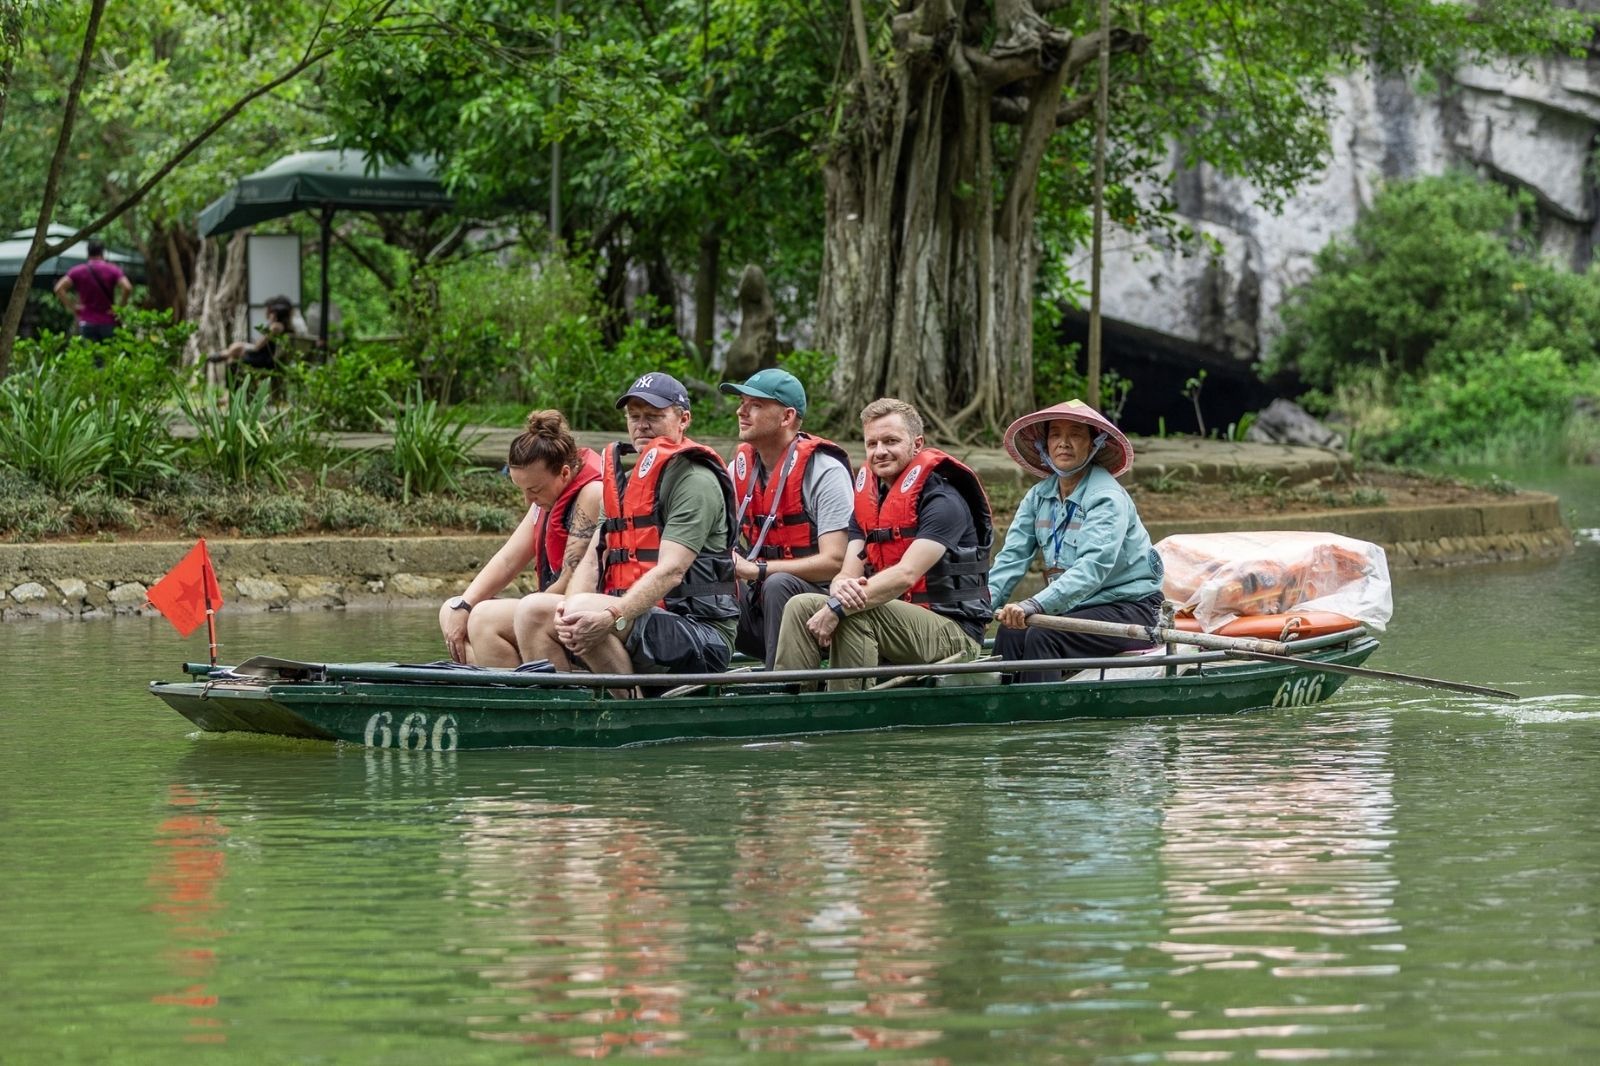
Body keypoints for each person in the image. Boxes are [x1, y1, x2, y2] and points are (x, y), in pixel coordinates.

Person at [513, 371, 738, 692]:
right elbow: (593, 560)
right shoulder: (629, 484)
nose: (641, 425)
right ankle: (561, 714)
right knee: (535, 611)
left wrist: (610, 614)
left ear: (683, 419)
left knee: (576, 612)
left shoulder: (695, 480)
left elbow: (672, 570)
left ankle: (623, 709)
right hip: (639, 617)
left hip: (701, 634)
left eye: (653, 416)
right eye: (634, 416)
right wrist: (566, 610)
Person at [773, 397, 994, 689]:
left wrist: (838, 607)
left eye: (890, 441)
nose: (880, 451)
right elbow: (847, 572)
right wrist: (840, 587)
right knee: (800, 605)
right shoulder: (869, 502)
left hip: (953, 634)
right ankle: (791, 700)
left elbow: (906, 574)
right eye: (872, 443)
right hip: (895, 619)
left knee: (855, 613)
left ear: (917, 444)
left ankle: (846, 709)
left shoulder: (943, 501)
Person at [987, 399, 1166, 683]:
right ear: (1044, 446)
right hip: (1079, 606)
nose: (1063, 443)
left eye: (1076, 434)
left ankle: (1041, 717)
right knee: (1010, 630)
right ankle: (999, 711)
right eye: (1055, 434)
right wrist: (982, 607)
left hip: (1132, 607)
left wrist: (1033, 604)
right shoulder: (1037, 496)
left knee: (1043, 634)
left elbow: (1092, 568)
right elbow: (1011, 558)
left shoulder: (1106, 497)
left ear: (1093, 445)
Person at [438, 410, 602, 668]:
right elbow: (507, 560)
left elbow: (571, 582)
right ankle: (511, 682)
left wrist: (530, 610)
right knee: (451, 611)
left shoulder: (592, 494)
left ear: (565, 473)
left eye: (534, 490)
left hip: (581, 608)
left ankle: (529, 694)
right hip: (547, 605)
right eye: (522, 490)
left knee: (483, 619)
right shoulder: (545, 498)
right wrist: (464, 604)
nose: (527, 500)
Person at [718, 368, 854, 668]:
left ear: (787, 417)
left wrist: (758, 570)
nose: (741, 411)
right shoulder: (738, 469)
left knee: (778, 583)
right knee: (707, 577)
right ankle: (692, 676)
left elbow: (836, 561)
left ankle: (784, 685)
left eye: (755, 405)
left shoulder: (825, 471)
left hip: (820, 611)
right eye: (742, 402)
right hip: (761, 607)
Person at [53, 238, 132, 342]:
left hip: (87, 321)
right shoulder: (113, 269)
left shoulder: (78, 271)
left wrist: (73, 307)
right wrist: (119, 309)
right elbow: (127, 287)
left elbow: (58, 288)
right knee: (108, 356)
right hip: (108, 321)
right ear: (103, 252)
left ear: (88, 253)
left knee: (90, 356)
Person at [209, 295, 295, 377]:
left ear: (276, 313)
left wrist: (244, 348)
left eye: (272, 311)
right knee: (234, 352)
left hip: (265, 361)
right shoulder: (284, 327)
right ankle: (220, 356)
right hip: (267, 358)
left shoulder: (275, 327)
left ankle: (216, 357)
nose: (268, 313)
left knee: (233, 358)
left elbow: (257, 346)